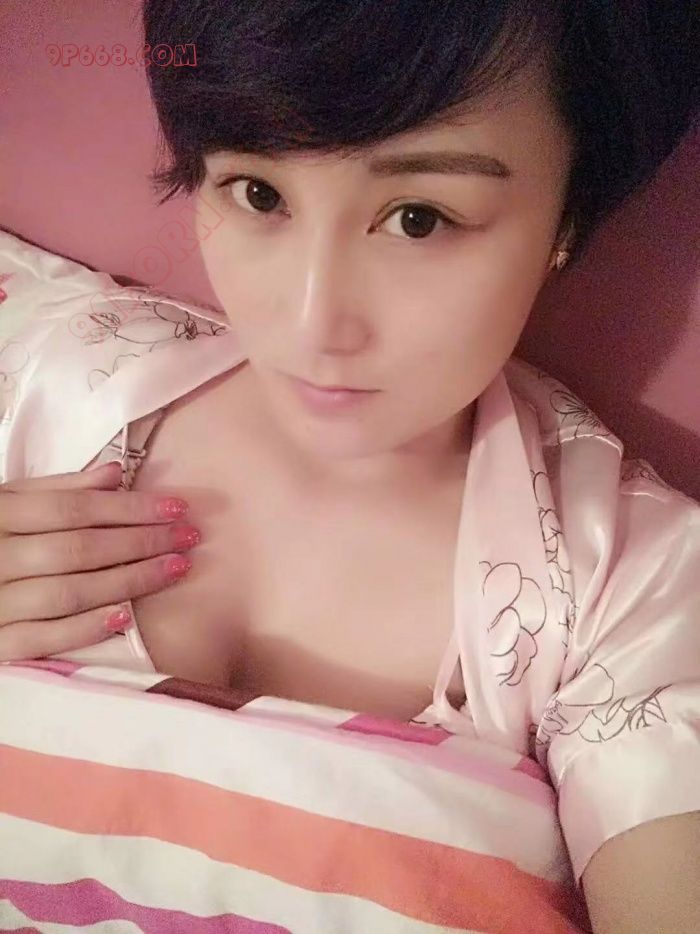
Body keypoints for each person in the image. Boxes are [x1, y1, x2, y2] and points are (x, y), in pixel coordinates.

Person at [0, 1, 698, 929]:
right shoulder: (42, 377)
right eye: (258, 194)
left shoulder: (635, 586)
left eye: (418, 218)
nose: (310, 321)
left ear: (568, 216)